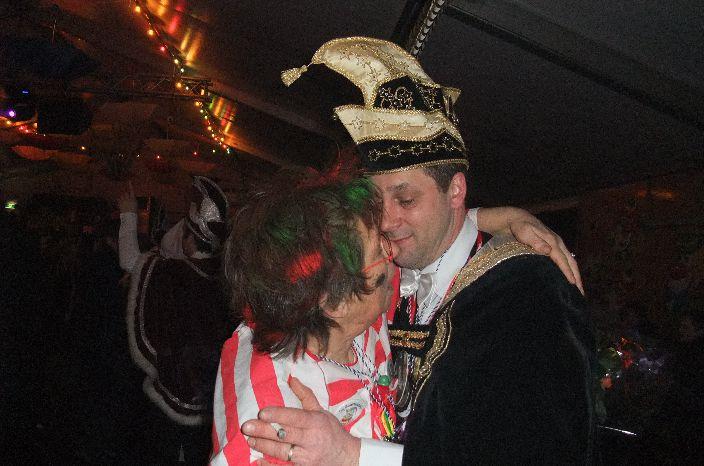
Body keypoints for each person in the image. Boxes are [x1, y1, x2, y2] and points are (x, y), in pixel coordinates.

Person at [243, 36, 596, 465]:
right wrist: (488, 216)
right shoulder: (384, 275)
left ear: (456, 191)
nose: (387, 221)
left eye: (406, 200)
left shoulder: (527, 291)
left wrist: (353, 454)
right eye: (376, 203)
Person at [210, 172, 398, 465]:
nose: (393, 252)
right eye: (380, 251)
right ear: (336, 302)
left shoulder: (362, 317)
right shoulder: (273, 416)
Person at [118, 176, 233, 464]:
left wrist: (128, 214)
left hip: (169, 402)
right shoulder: (228, 282)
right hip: (212, 404)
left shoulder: (174, 274)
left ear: (190, 239)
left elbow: (129, 260)